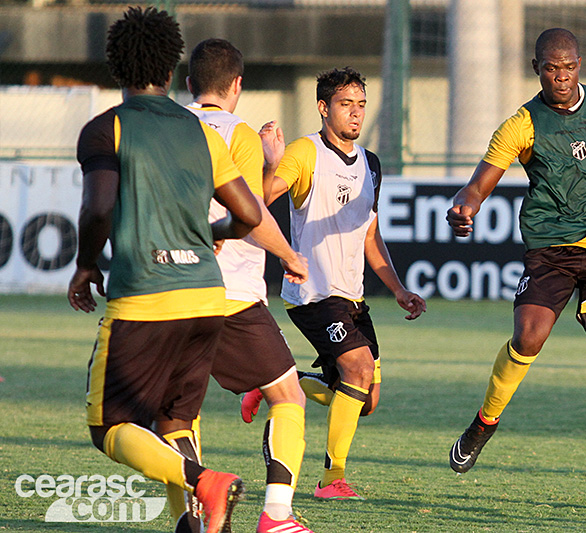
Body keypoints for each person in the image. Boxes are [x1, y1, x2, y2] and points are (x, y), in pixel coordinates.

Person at [446, 28, 586, 511]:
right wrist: (464, 205)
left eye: (568, 67)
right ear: (537, 69)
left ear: (580, 65)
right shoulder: (521, 125)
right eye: (551, 68)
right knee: (528, 338)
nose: (561, 76)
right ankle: (485, 422)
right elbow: (478, 184)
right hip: (550, 247)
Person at [68, 7, 262, 533]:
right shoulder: (201, 133)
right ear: (173, 69)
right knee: (175, 421)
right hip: (206, 299)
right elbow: (247, 215)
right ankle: (193, 525)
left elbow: (99, 208)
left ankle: (206, 483)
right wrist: (209, 238)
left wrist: (86, 265)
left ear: (117, 68)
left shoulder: (105, 129)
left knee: (109, 426)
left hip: (144, 299)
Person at [241, 66, 427, 500]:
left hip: (353, 296)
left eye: (361, 105)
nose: (356, 114)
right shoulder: (306, 152)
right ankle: (331, 480)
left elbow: (369, 233)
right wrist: (271, 160)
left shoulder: (371, 164)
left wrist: (397, 289)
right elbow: (264, 197)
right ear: (324, 108)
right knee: (358, 369)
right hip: (312, 292)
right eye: (346, 105)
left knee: (366, 399)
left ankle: (268, 386)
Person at [157, 38, 314, 533]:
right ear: (238, 85)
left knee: (179, 411)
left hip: (166, 291)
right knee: (288, 396)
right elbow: (248, 212)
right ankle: (276, 515)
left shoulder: (164, 128)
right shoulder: (238, 134)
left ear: (189, 84)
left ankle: (192, 515)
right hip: (230, 294)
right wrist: (290, 255)